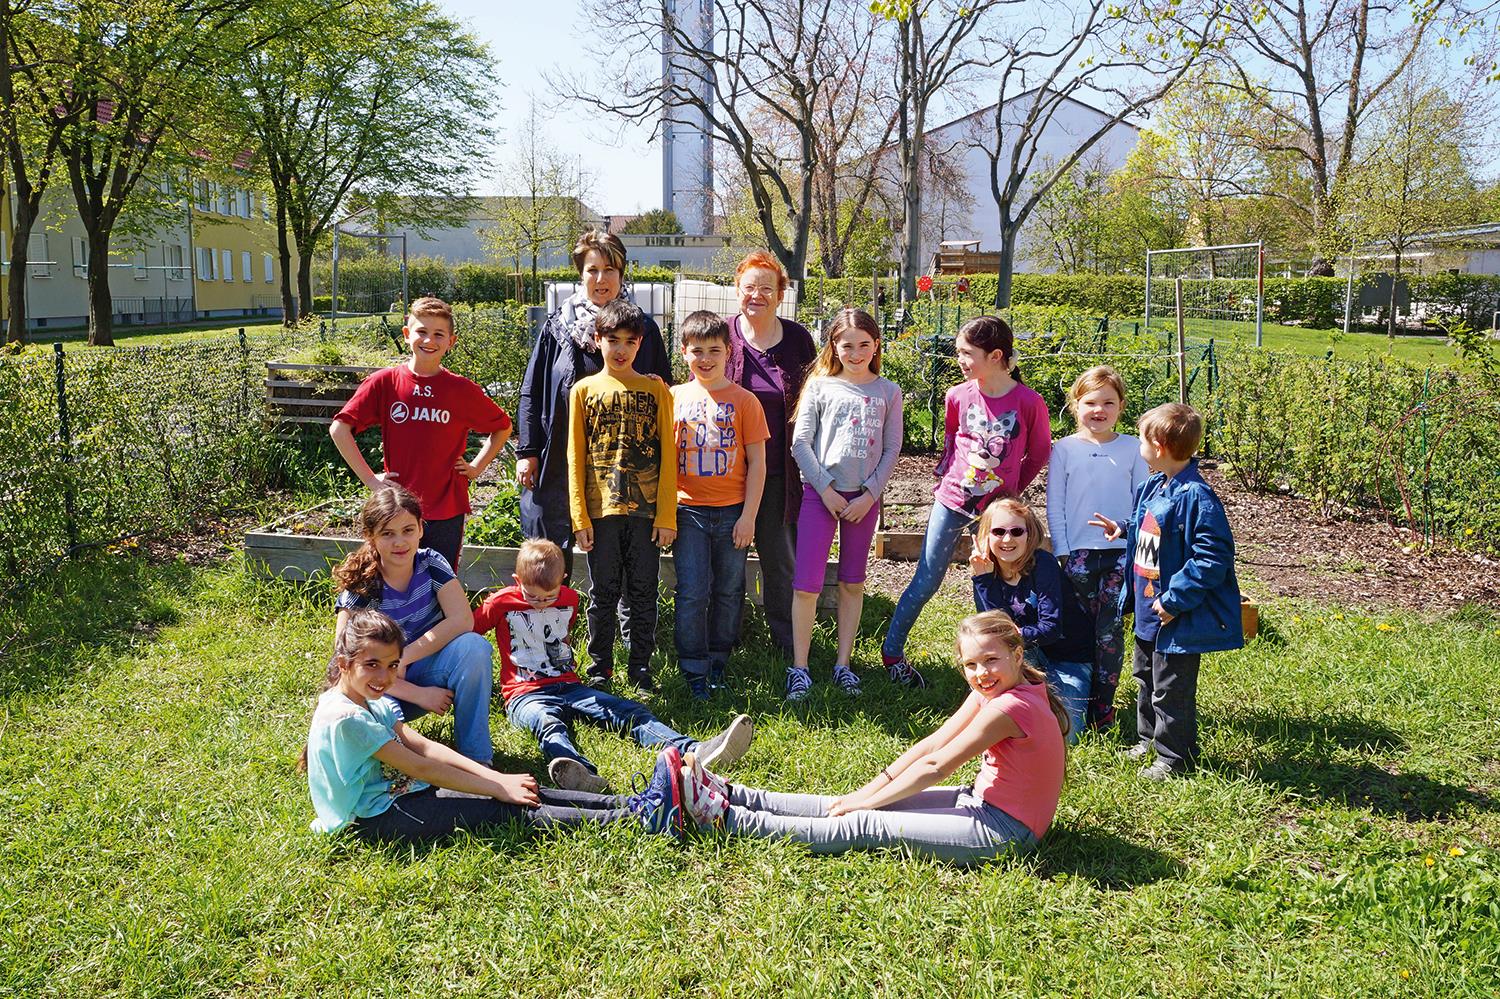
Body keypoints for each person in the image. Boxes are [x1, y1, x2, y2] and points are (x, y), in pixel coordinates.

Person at [673, 610, 1067, 864]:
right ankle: (733, 793)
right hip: (978, 799)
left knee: (866, 826)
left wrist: (868, 806)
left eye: (991, 660)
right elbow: (931, 743)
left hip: (1003, 831)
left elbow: (937, 766)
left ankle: (725, 817)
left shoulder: (1009, 707)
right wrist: (862, 795)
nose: (981, 672)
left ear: (1017, 654)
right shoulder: (994, 691)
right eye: (971, 664)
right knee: (844, 804)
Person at [303, 608, 686, 842]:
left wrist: (496, 777)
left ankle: (636, 805)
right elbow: (419, 766)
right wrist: (495, 787)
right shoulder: (347, 717)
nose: (384, 677)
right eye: (372, 665)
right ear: (343, 665)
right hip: (376, 819)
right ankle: (643, 820)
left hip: (400, 796)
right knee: (503, 808)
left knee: (522, 792)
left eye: (391, 665)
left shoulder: (371, 699)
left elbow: (423, 746)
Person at [473, 538, 755, 793]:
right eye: (532, 596)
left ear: (564, 580)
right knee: (548, 724)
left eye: (549, 597)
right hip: (525, 695)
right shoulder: (501, 602)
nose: (541, 604)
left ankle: (695, 749)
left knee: (629, 711)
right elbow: (470, 629)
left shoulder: (570, 600)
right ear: (516, 580)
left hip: (570, 687)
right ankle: (575, 770)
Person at [880, 315, 1051, 688]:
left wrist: (1010, 494)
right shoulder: (957, 395)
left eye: (966, 353)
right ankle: (891, 653)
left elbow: (1038, 453)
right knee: (926, 579)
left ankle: (992, 663)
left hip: (995, 513)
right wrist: (944, 477)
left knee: (992, 584)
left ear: (996, 355)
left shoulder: (1029, 402)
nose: (959, 359)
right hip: (952, 501)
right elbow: (951, 438)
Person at [1090, 402, 1243, 779]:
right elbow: (1151, 526)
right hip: (1146, 607)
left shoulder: (1196, 496)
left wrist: (1175, 600)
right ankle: (1148, 739)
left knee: (1171, 688)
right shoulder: (1154, 484)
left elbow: (1212, 556)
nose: (1138, 445)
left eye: (1141, 438)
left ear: (1158, 446)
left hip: (1173, 614)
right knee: (1146, 677)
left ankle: (1174, 757)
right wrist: (1123, 529)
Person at [516, 229, 674, 554]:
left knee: (615, 563)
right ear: (580, 274)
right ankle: (552, 606)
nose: (601, 279)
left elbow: (664, 394)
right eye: (592, 270)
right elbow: (531, 391)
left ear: (622, 274)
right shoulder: (557, 326)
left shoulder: (643, 329)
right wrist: (528, 452)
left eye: (610, 270)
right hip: (560, 456)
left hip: (621, 467)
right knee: (549, 554)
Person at [330, 296, 513, 570]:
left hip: (446, 508)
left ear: (451, 341)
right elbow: (339, 429)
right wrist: (372, 481)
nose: (429, 340)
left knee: (440, 583)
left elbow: (503, 427)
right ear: (406, 335)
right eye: (421, 332)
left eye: (439, 334)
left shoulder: (461, 390)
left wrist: (476, 467)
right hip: (397, 509)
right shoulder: (385, 382)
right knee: (392, 581)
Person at [331, 484, 496, 765]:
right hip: (377, 686)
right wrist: (419, 694)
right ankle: (410, 767)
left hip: (424, 667)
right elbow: (345, 661)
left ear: (421, 528)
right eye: (387, 533)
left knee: (474, 647)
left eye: (408, 530)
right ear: (370, 537)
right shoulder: (363, 585)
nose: (400, 542)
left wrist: (405, 656)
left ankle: (477, 758)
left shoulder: (431, 563)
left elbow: (462, 619)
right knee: (391, 743)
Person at [786, 308, 903, 700]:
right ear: (834, 346)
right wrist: (826, 490)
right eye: (847, 345)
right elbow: (801, 444)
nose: (855, 353)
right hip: (820, 497)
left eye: (864, 345)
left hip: (863, 502)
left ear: (876, 346)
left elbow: (891, 448)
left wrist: (870, 494)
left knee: (853, 582)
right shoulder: (820, 387)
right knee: (807, 585)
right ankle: (799, 668)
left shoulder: (888, 391)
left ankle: (843, 664)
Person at [568, 299, 677, 690]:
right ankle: (599, 669)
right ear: (597, 340)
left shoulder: (656, 391)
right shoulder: (582, 391)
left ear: (640, 344)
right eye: (612, 339)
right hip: (601, 513)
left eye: (629, 341)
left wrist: (667, 516)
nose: (620, 349)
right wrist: (580, 518)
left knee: (644, 592)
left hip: (647, 513)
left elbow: (669, 458)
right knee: (603, 593)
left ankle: (640, 668)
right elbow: (575, 458)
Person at [671, 310, 770, 698]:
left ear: (729, 352)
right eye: (697, 351)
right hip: (687, 513)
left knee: (729, 590)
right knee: (693, 590)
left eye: (714, 350)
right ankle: (692, 665)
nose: (705, 358)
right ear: (683, 353)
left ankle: (718, 661)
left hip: (733, 512)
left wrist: (749, 516)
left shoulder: (744, 401)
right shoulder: (674, 398)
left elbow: (758, 463)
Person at [1046, 365, 1149, 732]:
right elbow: (1055, 503)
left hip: (1120, 554)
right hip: (1077, 556)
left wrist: (1135, 545)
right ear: (1076, 406)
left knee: (1109, 633)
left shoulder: (1133, 449)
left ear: (1121, 406)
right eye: (1090, 402)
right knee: (1079, 630)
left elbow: (1143, 503)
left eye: (1108, 402)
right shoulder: (1064, 449)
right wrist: (1062, 548)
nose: (1099, 410)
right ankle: (1077, 695)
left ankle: (1102, 708)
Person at [724, 251, 817, 655]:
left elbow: (815, 397)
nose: (756, 295)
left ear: (781, 294)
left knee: (781, 560)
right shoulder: (722, 335)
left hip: (781, 471)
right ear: (737, 290)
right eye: (749, 287)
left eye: (766, 288)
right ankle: (727, 640)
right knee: (727, 560)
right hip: (726, 473)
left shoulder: (797, 339)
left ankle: (785, 644)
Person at [969, 498, 1093, 742]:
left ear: (1029, 534)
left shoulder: (1043, 564)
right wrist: (983, 582)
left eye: (1017, 531)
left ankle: (1026, 698)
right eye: (998, 532)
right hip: (1023, 656)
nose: (1007, 539)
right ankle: (1014, 701)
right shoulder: (984, 573)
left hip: (1068, 660)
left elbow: (1051, 628)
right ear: (986, 536)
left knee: (1069, 735)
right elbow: (993, 632)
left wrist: (1012, 635)